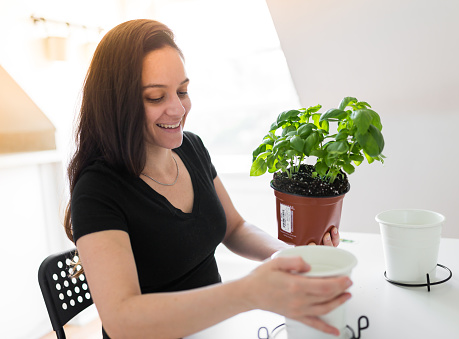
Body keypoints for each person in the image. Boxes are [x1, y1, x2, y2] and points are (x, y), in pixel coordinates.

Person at [63, 19, 352, 339]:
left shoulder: (192, 148)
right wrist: (248, 293)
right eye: (156, 97)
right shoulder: (97, 190)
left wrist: (287, 256)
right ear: (117, 104)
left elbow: (235, 227)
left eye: (182, 91)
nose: (178, 108)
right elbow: (121, 321)